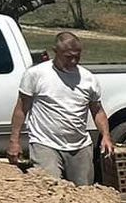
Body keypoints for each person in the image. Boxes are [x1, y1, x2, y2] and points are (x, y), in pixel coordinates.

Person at [9, 32, 110, 184]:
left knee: (84, 194)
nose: (73, 61)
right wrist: (14, 141)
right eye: (68, 57)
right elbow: (22, 109)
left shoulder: (88, 79)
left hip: (80, 145)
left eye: (77, 56)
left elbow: (97, 110)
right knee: (50, 188)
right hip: (45, 143)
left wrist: (106, 136)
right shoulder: (36, 74)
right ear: (55, 52)